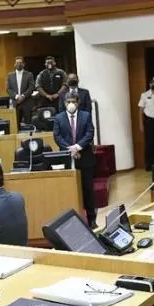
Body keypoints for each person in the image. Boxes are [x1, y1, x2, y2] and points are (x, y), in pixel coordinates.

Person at [53, 95, 97, 227]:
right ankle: (71, 221)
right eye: (68, 101)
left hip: (85, 158)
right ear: (64, 103)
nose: (71, 104)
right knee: (69, 190)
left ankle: (92, 219)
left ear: (78, 103)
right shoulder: (59, 117)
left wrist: (77, 147)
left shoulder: (86, 115)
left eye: (73, 101)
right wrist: (71, 149)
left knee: (88, 190)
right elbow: (57, 136)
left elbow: (89, 133)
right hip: (67, 158)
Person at [6, 57, 35, 126]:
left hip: (27, 102)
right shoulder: (10, 75)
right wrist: (16, 96)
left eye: (20, 63)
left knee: (28, 124)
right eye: (17, 63)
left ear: (23, 64)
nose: (19, 64)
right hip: (15, 103)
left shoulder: (29, 74)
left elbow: (31, 87)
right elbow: (8, 89)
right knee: (15, 125)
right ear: (14, 64)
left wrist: (23, 96)